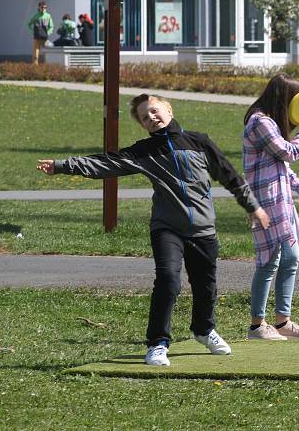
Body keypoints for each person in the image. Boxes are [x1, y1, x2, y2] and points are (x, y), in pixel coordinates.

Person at [36, 93, 271, 366]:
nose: (152, 118)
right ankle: (158, 343)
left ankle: (204, 330)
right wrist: (63, 166)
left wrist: (253, 207)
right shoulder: (143, 151)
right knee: (168, 281)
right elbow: (104, 163)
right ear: (143, 126)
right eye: (145, 118)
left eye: (155, 111)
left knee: (206, 286)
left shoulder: (200, 142)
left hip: (203, 229)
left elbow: (230, 175)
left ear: (168, 109)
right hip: (167, 228)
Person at [243, 74, 299, 341]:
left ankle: (282, 321)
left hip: (280, 200)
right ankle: (257, 325)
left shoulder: (270, 123)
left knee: (291, 258)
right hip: (265, 202)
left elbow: (281, 166)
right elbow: (288, 153)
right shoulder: (260, 121)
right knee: (269, 260)